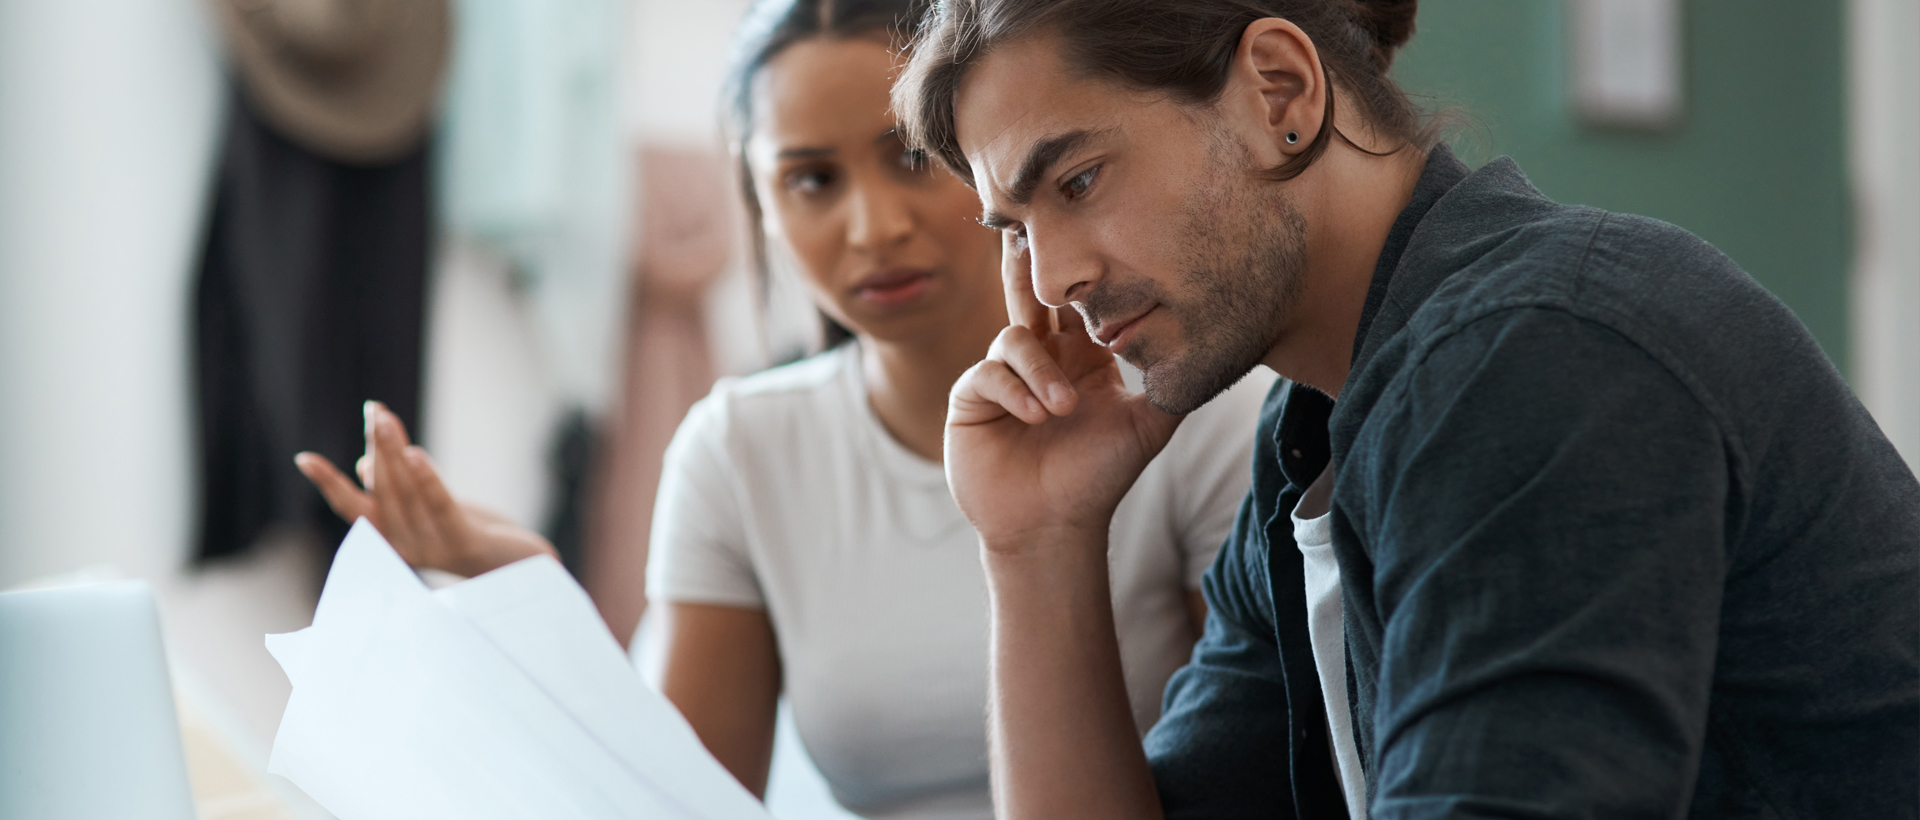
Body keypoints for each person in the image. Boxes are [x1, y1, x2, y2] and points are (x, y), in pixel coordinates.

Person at [888, 1, 1920, 818]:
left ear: (1277, 90)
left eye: (1075, 181)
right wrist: (1038, 547)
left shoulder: (1534, 354)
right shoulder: (1316, 431)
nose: (1052, 275)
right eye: (1014, 228)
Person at [293, 0, 1272, 817]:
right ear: (758, 203)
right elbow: (676, 797)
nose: (872, 227)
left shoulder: (1185, 406)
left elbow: (1267, 772)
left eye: (907, 158)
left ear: (985, 149)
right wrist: (533, 597)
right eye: (810, 179)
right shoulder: (740, 451)